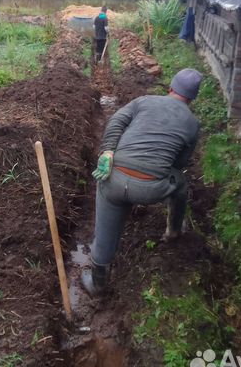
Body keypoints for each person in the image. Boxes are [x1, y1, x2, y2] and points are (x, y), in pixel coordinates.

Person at [81, 68, 203, 296]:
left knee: (107, 219)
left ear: (170, 88)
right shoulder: (192, 124)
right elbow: (181, 161)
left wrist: (108, 151)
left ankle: (97, 282)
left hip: (114, 181)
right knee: (181, 184)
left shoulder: (144, 101)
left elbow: (116, 121)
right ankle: (174, 230)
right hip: (152, 190)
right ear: (192, 98)